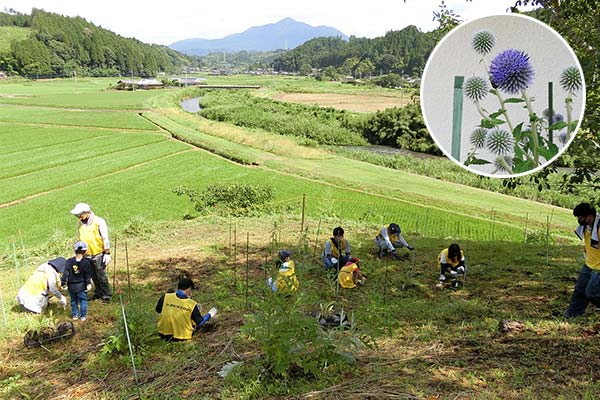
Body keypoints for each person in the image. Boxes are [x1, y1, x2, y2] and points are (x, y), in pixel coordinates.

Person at [70, 202, 112, 302]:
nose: (79, 217)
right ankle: (98, 292)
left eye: (80, 215)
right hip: (86, 255)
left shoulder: (99, 222)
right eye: (77, 216)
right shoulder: (80, 224)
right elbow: (80, 239)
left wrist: (107, 253)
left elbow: (105, 238)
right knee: (93, 275)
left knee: (101, 275)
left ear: (87, 212)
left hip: (98, 254)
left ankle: (107, 296)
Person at [564, 203, 600, 318]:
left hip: (598, 268)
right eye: (578, 218)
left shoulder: (599, 228)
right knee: (579, 290)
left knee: (592, 293)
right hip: (589, 264)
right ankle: (572, 315)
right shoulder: (586, 227)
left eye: (581, 217)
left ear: (590, 215)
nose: (579, 220)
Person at [61, 241, 92, 321]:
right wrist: (88, 283)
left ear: (75, 251)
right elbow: (87, 274)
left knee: (73, 300)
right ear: (85, 251)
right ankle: (83, 316)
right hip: (81, 285)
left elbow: (65, 273)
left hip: (71, 285)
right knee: (83, 300)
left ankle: (75, 315)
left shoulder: (69, 261)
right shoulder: (86, 262)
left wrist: (63, 282)